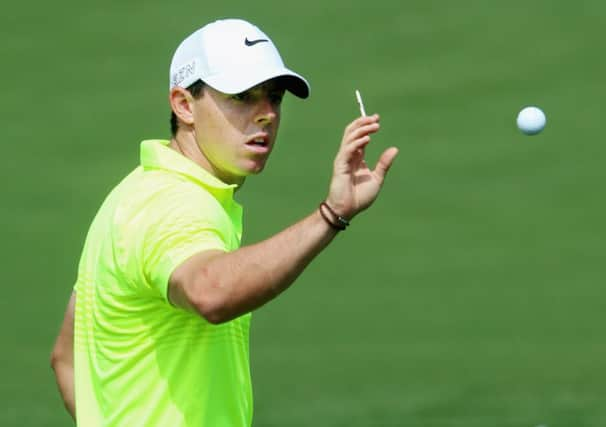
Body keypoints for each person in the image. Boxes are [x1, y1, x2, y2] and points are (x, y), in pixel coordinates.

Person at [50, 18, 398, 426]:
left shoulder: (132, 196)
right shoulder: (174, 204)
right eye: (241, 96)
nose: (266, 114)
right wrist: (331, 215)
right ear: (183, 105)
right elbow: (210, 291)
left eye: (274, 97)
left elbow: (67, 358)